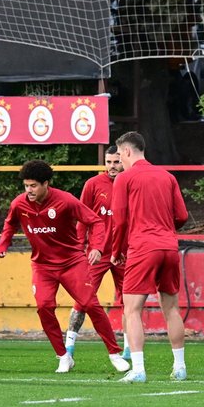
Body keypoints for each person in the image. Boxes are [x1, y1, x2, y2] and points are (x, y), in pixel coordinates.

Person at [0, 160, 130, 374]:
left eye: (33, 186)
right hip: (42, 266)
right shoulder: (19, 203)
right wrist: (4, 243)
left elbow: (95, 221)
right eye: (26, 186)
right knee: (44, 307)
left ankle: (114, 353)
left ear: (46, 184)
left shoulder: (65, 200)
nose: (28, 190)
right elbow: (10, 223)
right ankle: (63, 356)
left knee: (90, 304)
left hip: (71, 262)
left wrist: (96, 247)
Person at [111, 131, 189, 383]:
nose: (119, 161)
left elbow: (120, 220)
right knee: (172, 308)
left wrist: (116, 251)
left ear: (127, 152)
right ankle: (179, 367)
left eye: (120, 156)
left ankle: (139, 370)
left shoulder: (124, 178)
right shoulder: (167, 177)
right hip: (169, 247)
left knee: (132, 310)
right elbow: (182, 216)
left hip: (143, 247)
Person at [64, 145, 130, 360]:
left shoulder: (131, 182)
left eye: (116, 161)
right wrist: (79, 247)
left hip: (124, 253)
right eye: (109, 162)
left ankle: (130, 348)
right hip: (96, 253)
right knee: (83, 298)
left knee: (129, 301)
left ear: (124, 161)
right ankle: (69, 347)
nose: (112, 166)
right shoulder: (93, 184)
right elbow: (82, 218)